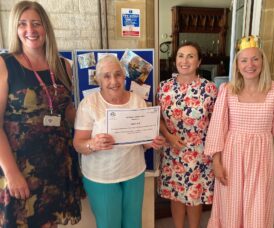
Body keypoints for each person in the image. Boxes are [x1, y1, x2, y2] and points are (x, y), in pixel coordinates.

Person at [0, 1, 82, 227]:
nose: (30, 30)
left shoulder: (63, 66)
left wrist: (102, 117)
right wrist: (12, 173)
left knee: (51, 223)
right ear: (15, 29)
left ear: (46, 27)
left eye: (36, 23)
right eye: (23, 24)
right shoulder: (5, 64)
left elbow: (67, 112)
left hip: (58, 164)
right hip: (21, 166)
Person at [204, 35, 274, 228]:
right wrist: (216, 162)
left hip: (261, 156)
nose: (250, 64)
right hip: (232, 155)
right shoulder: (228, 90)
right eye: (244, 60)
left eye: (255, 59)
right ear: (237, 65)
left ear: (263, 62)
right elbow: (217, 128)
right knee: (231, 203)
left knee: (258, 203)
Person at [73, 54, 165, 228]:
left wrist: (152, 142)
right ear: (99, 79)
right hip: (101, 176)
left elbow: (143, 143)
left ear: (124, 76)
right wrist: (93, 144)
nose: (113, 81)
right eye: (106, 76)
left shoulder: (138, 101)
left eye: (117, 74)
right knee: (109, 224)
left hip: (133, 172)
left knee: (133, 223)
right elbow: (78, 144)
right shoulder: (89, 104)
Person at [156, 41, 218, 228]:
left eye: (190, 56)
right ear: (175, 60)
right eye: (181, 56)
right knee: (175, 196)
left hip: (198, 152)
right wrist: (168, 136)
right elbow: (156, 118)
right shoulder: (164, 87)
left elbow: (217, 123)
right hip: (172, 150)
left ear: (198, 62)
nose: (185, 60)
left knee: (194, 196)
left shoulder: (209, 89)